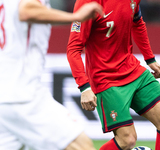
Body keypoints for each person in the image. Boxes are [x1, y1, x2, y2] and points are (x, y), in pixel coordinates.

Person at [67, 0, 160, 150]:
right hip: (106, 79)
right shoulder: (88, 2)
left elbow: (137, 22)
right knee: (127, 140)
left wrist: (149, 58)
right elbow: (73, 49)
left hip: (132, 69)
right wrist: (84, 87)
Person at [0, 0, 103, 150]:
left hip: (6, 94)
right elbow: (26, 11)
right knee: (82, 146)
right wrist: (76, 16)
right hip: (22, 96)